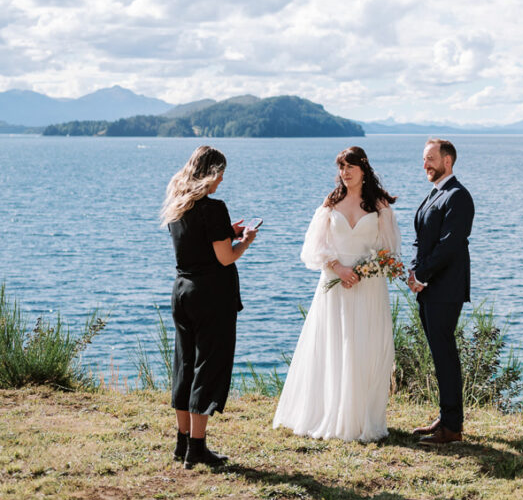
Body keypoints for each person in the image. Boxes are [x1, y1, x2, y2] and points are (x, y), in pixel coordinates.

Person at [273, 145, 401, 442]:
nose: (344, 173)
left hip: (367, 287)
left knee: (363, 347)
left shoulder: (380, 205)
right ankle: (330, 412)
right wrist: (338, 268)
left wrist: (368, 269)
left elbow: (389, 250)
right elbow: (315, 248)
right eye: (341, 168)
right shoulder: (331, 203)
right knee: (334, 345)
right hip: (335, 284)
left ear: (363, 170)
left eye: (349, 167)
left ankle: (361, 418)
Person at [161, 145, 259, 469]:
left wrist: (226, 233)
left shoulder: (177, 204)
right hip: (211, 295)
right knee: (207, 366)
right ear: (211, 173)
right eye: (220, 174)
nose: (221, 181)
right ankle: (198, 448)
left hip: (182, 291)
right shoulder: (214, 208)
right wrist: (244, 240)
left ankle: (182, 442)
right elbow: (224, 257)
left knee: (184, 364)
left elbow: (196, 242)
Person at [408, 137, 474, 446]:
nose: (425, 164)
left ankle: (452, 428)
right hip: (430, 288)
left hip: (446, 290)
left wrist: (422, 274)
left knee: (445, 355)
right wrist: (413, 271)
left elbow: (449, 246)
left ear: (447, 161)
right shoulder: (436, 194)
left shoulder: (458, 196)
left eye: (430, 159)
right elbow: (422, 241)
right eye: (423, 159)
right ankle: (447, 418)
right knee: (439, 355)